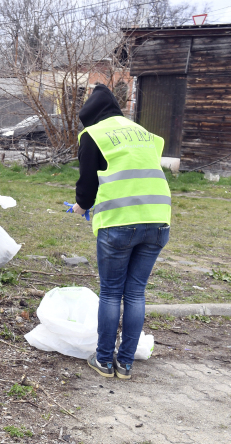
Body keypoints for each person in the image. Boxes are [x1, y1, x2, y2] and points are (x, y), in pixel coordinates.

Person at [69, 84, 171, 380]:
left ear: (91, 115)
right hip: (158, 219)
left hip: (119, 223)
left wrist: (80, 206)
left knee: (112, 292)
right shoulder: (145, 134)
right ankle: (125, 364)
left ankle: (103, 360)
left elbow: (87, 184)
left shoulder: (94, 135)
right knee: (136, 292)